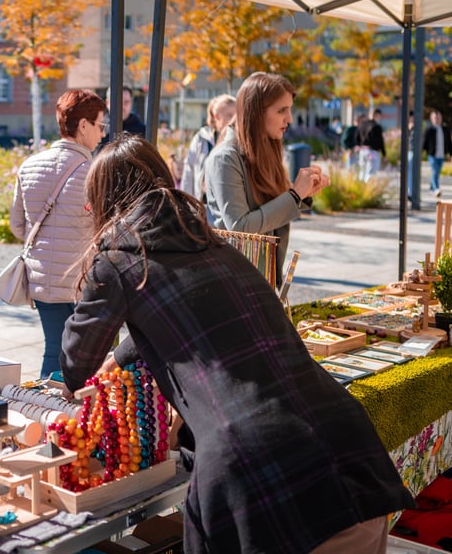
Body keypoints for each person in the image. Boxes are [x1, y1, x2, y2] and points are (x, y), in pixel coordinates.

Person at [60, 134, 415, 554]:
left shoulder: (117, 261)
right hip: (349, 451)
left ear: (104, 202)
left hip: (273, 482)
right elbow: (188, 307)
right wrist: (120, 358)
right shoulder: (215, 245)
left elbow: (76, 365)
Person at [10, 89, 107, 378]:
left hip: (42, 279)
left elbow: (17, 226)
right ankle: (74, 404)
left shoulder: (29, 165)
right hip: (81, 280)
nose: (102, 134)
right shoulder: (93, 172)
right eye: (100, 125)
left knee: (54, 348)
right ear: (84, 125)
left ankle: (44, 402)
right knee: (85, 355)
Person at [204, 72, 329, 288]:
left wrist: (303, 194)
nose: (289, 119)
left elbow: (269, 210)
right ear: (255, 112)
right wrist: (294, 195)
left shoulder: (265, 148)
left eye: (289, 109)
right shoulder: (225, 158)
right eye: (281, 111)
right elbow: (240, 227)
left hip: (264, 277)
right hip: (236, 281)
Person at [180, 94, 236, 203]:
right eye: (229, 115)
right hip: (202, 203)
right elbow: (189, 172)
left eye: (235, 115)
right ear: (217, 117)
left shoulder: (238, 140)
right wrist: (185, 203)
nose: (233, 120)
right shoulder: (201, 139)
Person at [422, 110, 452, 198]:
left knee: (437, 172)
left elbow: (449, 142)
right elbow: (424, 142)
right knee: (435, 171)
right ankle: (436, 188)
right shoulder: (429, 129)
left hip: (441, 155)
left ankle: (432, 187)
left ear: (441, 118)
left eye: (438, 117)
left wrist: (451, 153)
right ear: (431, 119)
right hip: (432, 155)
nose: (437, 119)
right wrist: (423, 152)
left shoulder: (445, 129)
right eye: (435, 118)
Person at [356, 108, 386, 181]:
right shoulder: (376, 126)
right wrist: (384, 154)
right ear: (377, 115)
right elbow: (380, 141)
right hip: (372, 152)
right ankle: (368, 187)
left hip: (362, 151)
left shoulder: (362, 125)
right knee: (370, 173)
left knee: (362, 172)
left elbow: (356, 138)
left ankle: (360, 187)